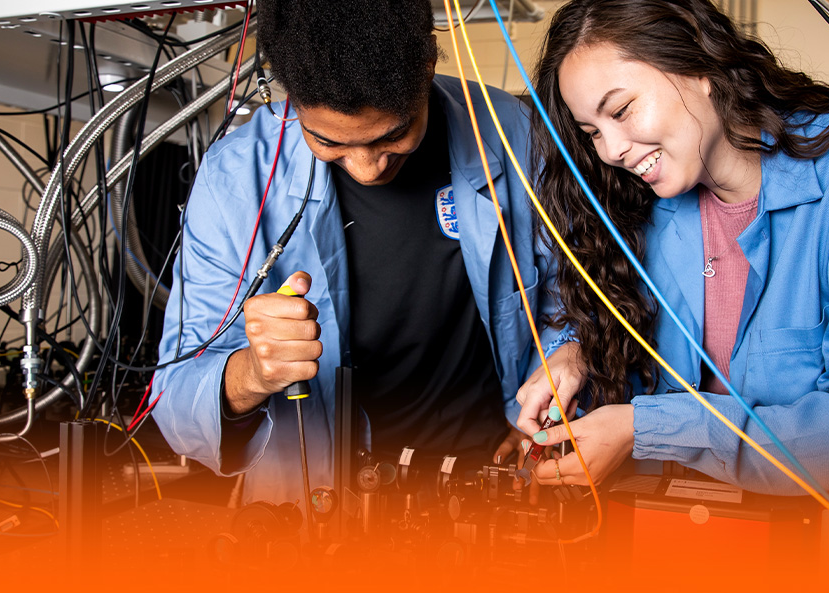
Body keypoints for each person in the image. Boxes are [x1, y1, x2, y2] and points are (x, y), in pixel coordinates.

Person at [515, 0, 829, 515]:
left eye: (620, 110)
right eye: (592, 131)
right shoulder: (655, 203)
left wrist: (646, 429)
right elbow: (627, 336)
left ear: (700, 68)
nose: (611, 149)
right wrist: (576, 353)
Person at [151, 0, 560, 505]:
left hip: (488, 482)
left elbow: (574, 308)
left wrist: (545, 417)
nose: (367, 168)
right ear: (290, 96)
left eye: (394, 135)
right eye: (329, 141)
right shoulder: (234, 178)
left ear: (428, 66)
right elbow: (174, 400)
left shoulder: (515, 134)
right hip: (315, 507)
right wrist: (255, 374)